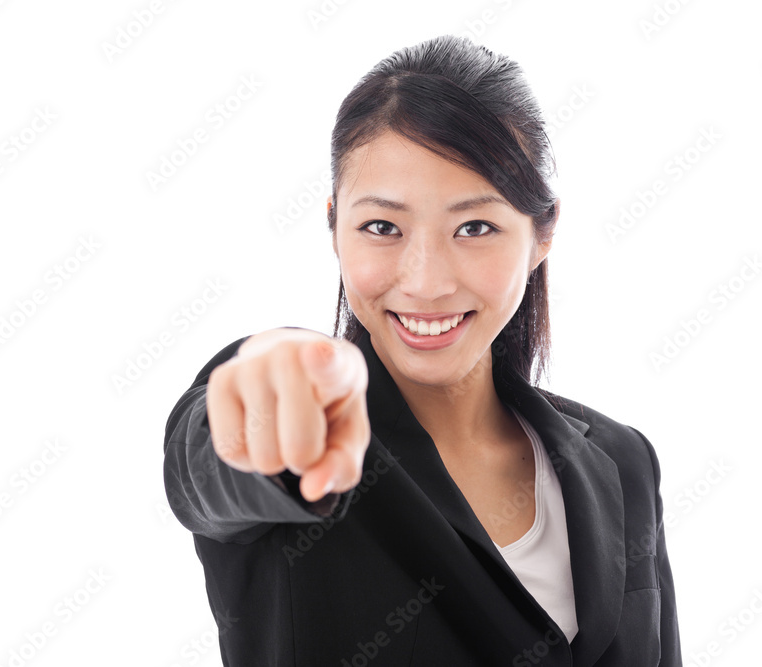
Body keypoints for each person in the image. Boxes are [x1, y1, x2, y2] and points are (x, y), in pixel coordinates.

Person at [163, 34, 681, 665]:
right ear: (334, 226)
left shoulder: (623, 461)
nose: (426, 280)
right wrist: (259, 403)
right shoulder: (303, 425)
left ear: (541, 235)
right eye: (382, 227)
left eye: (475, 227)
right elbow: (218, 457)